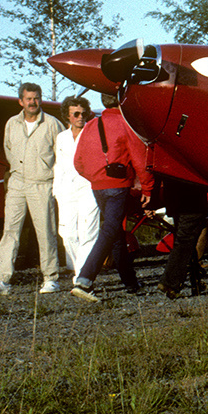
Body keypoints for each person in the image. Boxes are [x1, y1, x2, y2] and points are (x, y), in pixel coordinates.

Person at [0, 83, 64, 295]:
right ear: (21, 101)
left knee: (46, 231)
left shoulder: (53, 124)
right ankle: (2, 280)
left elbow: (63, 154)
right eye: (28, 99)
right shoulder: (12, 124)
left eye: (36, 98)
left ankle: (51, 278)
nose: (32, 102)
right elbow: (9, 150)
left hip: (42, 183)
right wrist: (18, 173)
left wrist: (49, 176)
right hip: (18, 183)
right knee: (10, 231)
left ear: (41, 99)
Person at [70, 100, 153, 302]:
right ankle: (85, 280)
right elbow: (140, 159)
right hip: (118, 185)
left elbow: (78, 162)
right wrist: (147, 187)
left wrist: (96, 177)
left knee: (115, 233)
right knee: (110, 231)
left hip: (98, 186)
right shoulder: (125, 123)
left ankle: (130, 282)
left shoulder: (90, 125)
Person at [53, 96, 99, 279]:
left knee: (88, 232)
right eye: (76, 114)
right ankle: (78, 268)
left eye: (83, 113)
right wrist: (56, 191)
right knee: (67, 232)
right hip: (66, 190)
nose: (80, 117)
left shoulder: (93, 133)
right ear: (68, 116)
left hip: (88, 187)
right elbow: (59, 164)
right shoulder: (62, 138)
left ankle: (82, 276)